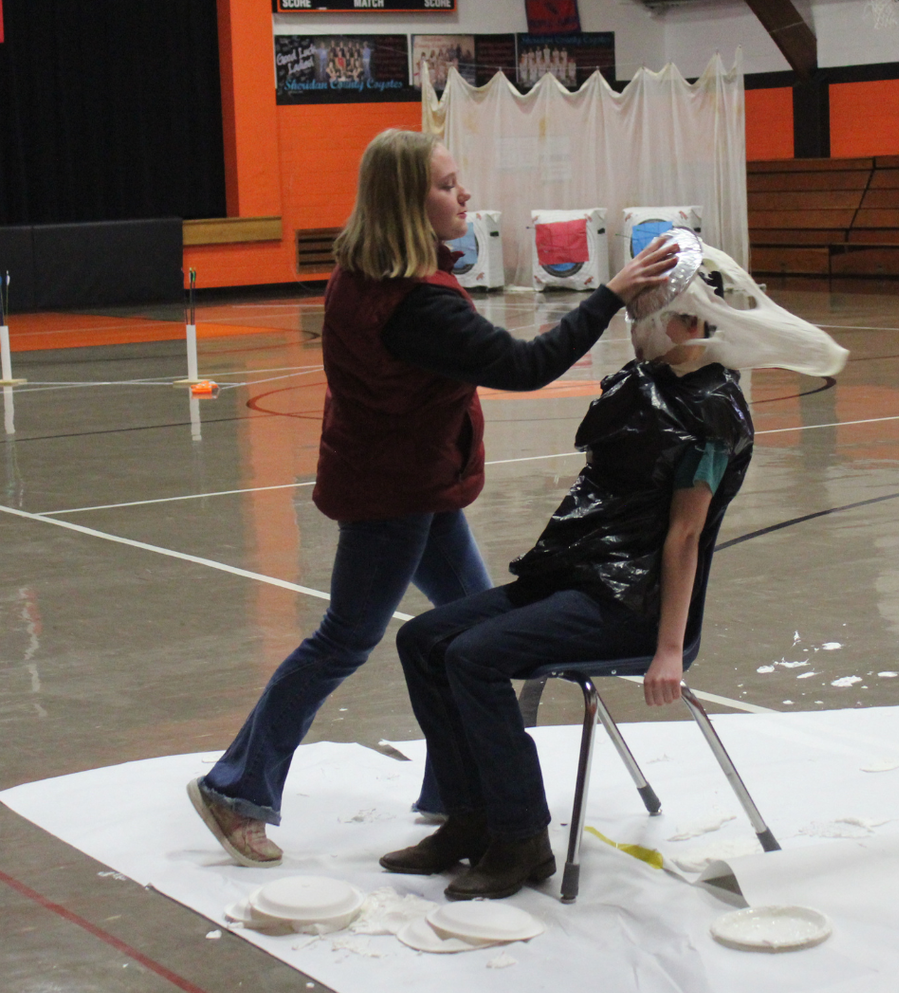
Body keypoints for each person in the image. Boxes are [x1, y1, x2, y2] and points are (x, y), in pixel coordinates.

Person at [186, 128, 679, 868]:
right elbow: (527, 365)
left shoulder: (367, 274)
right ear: (408, 204)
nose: (465, 195)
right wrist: (608, 295)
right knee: (347, 639)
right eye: (448, 185)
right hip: (395, 495)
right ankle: (236, 788)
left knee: (467, 640)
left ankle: (460, 797)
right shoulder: (416, 307)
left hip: (416, 483)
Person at [379, 311, 755, 900]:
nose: (635, 325)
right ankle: (472, 815)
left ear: (688, 321)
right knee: (423, 641)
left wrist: (668, 648)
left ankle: (521, 835)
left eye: (645, 312)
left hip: (633, 603)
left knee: (474, 657)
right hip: (578, 575)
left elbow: (684, 536)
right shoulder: (643, 382)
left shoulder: (711, 414)